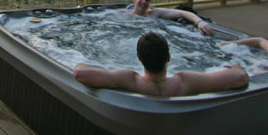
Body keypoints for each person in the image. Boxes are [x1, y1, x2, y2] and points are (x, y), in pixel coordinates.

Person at [73, 32, 248, 97]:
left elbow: (80, 73)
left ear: (139, 58)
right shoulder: (185, 82)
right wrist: (236, 67)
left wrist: (82, 62)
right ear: (168, 58)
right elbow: (240, 77)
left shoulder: (131, 81)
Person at [123, 0, 215, 35]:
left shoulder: (154, 13)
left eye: (147, 0)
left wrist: (200, 22)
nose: (143, 2)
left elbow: (183, 12)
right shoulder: (123, 14)